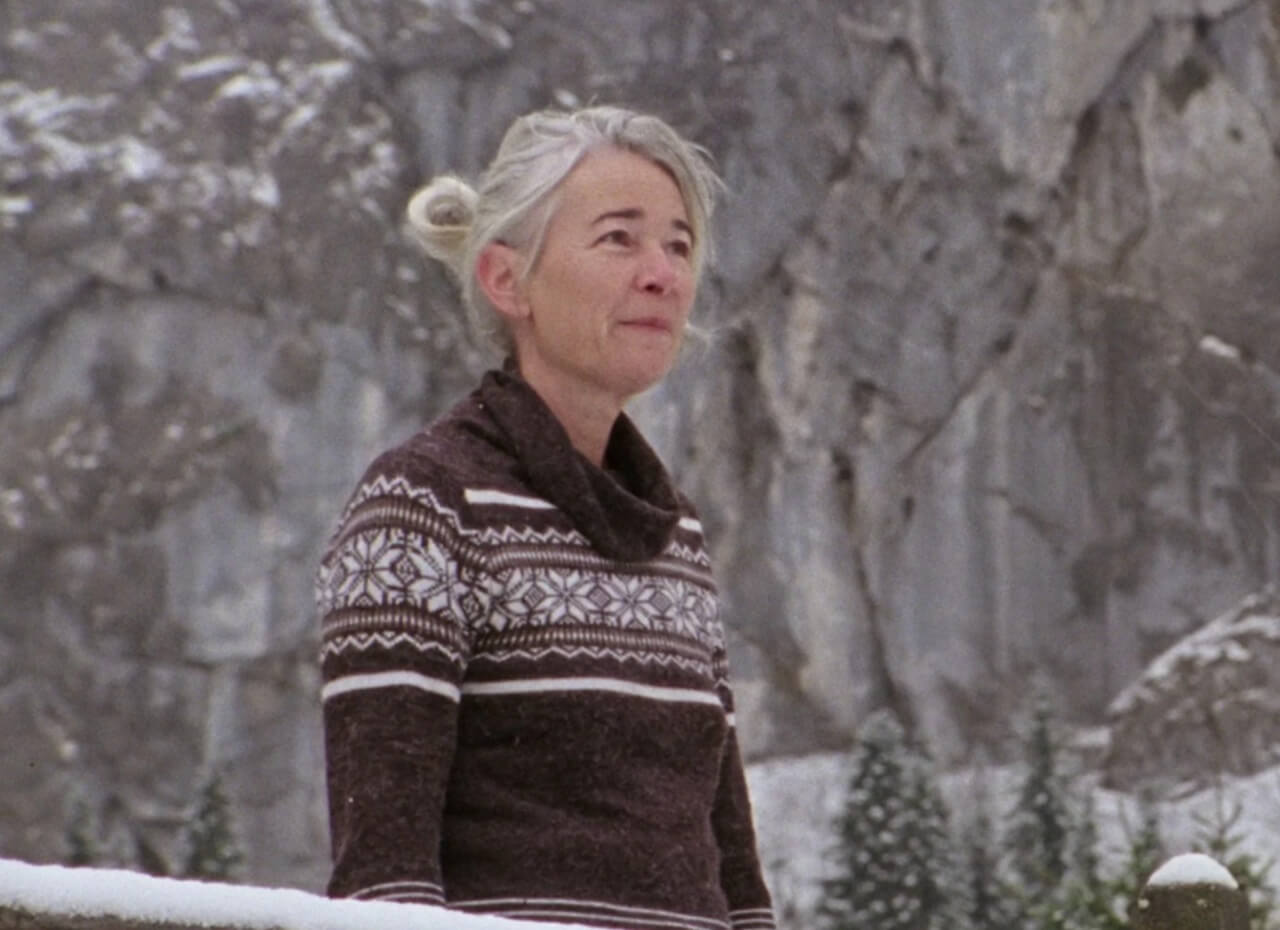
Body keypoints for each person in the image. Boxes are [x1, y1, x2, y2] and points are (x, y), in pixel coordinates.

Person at [316, 105, 776, 930]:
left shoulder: (674, 533)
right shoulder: (421, 508)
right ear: (507, 280)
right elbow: (383, 884)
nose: (663, 275)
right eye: (618, 238)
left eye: (679, 245)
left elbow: (732, 868)